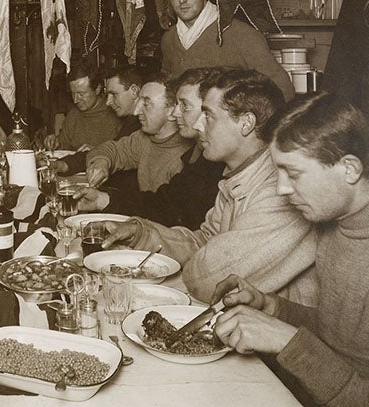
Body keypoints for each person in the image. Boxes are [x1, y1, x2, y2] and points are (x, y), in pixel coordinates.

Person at [212, 92, 369, 407]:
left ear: (349, 168)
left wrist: (287, 340)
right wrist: (272, 307)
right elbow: (344, 335)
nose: (282, 189)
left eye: (293, 173)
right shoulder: (334, 226)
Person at [102, 69, 317, 304]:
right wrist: (143, 233)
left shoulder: (278, 191)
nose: (198, 125)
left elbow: (210, 279)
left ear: (246, 123)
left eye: (209, 115)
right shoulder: (236, 177)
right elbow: (204, 240)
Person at [75, 67, 226, 229]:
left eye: (146, 104)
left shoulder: (198, 157)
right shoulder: (151, 140)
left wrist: (105, 200)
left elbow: (169, 215)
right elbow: (162, 204)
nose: (136, 111)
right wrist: (101, 166)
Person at [160, 0, 294, 101]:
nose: (182, 0)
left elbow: (283, 90)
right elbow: (166, 89)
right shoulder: (169, 38)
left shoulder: (243, 35)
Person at [85, 73, 193, 192]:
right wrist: (101, 162)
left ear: (173, 111)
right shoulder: (143, 138)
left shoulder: (185, 158)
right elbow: (111, 149)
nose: (136, 112)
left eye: (146, 104)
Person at [44, 60, 121, 152]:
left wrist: (98, 152)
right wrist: (55, 143)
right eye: (73, 94)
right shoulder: (73, 114)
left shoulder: (116, 114)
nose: (75, 100)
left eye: (81, 94)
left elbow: (124, 155)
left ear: (97, 89)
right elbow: (63, 147)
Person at [104, 65, 144, 139]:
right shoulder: (131, 122)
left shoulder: (143, 126)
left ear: (134, 91)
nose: (108, 102)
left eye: (114, 94)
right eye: (107, 95)